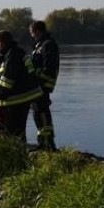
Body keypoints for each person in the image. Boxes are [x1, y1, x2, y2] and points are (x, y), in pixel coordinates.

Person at [0, 30, 43, 141]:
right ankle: (19, 152)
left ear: (1, 42)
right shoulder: (16, 52)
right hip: (23, 97)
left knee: (14, 132)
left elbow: (8, 79)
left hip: (17, 99)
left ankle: (16, 155)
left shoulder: (12, 54)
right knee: (18, 131)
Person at [29, 20, 60, 150]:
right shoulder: (40, 45)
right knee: (38, 113)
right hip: (38, 85)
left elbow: (49, 68)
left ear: (37, 31)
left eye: (32, 32)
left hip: (43, 85)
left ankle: (48, 143)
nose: (32, 35)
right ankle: (43, 142)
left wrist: (33, 73)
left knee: (42, 114)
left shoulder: (48, 44)